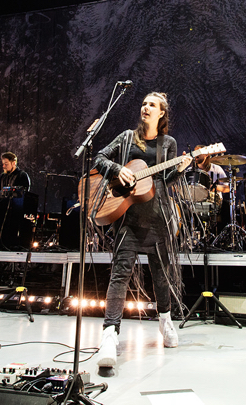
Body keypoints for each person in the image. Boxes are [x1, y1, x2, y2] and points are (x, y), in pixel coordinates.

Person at [92, 92, 192, 368]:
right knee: (119, 274)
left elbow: (166, 179)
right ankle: (110, 333)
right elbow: (99, 157)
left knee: (161, 275)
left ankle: (165, 321)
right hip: (127, 218)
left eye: (152, 105)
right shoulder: (126, 138)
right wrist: (115, 169)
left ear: (162, 113)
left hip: (157, 216)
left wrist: (181, 168)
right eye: (144, 103)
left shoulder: (167, 143)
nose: (145, 107)